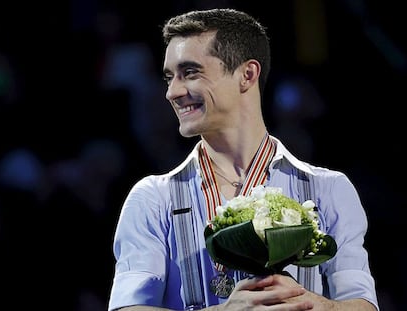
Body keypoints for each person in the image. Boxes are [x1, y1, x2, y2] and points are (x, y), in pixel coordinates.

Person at [108, 8, 379, 311]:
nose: (172, 92)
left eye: (190, 73)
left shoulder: (328, 188)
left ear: (247, 75)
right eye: (170, 77)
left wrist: (319, 306)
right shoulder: (153, 198)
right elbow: (127, 308)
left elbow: (363, 303)